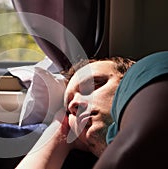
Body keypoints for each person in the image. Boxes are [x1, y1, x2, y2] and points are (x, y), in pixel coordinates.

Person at [16, 51, 168, 169]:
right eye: (69, 108)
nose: (73, 104)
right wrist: (59, 130)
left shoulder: (147, 68)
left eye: (94, 85)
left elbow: (145, 138)